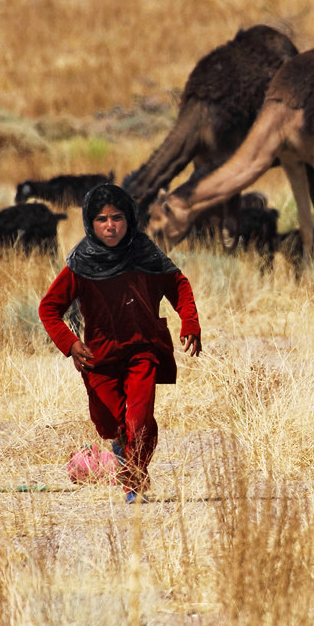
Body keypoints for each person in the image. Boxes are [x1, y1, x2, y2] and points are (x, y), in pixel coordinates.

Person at [39, 183, 201, 503]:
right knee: (109, 423)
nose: (110, 225)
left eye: (117, 218)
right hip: (98, 355)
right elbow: (49, 308)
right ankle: (120, 448)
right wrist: (70, 344)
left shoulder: (144, 252)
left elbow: (178, 284)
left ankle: (133, 482)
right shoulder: (81, 262)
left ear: (130, 219)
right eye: (101, 219)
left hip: (143, 348)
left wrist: (190, 322)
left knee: (138, 420)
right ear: (90, 222)